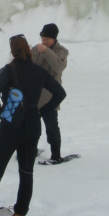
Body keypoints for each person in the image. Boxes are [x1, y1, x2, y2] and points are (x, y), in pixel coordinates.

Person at [0, 34, 66, 216]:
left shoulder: (9, 70)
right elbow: (60, 93)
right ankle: (19, 215)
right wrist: (43, 111)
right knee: (26, 172)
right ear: (29, 50)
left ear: (12, 52)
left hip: (11, 124)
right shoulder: (38, 71)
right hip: (32, 125)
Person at [31, 23, 69, 163]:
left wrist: (46, 51)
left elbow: (58, 67)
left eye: (46, 39)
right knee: (31, 127)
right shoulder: (36, 49)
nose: (43, 41)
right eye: (42, 38)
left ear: (54, 39)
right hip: (34, 96)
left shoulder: (62, 51)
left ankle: (56, 155)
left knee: (51, 128)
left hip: (49, 97)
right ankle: (31, 150)